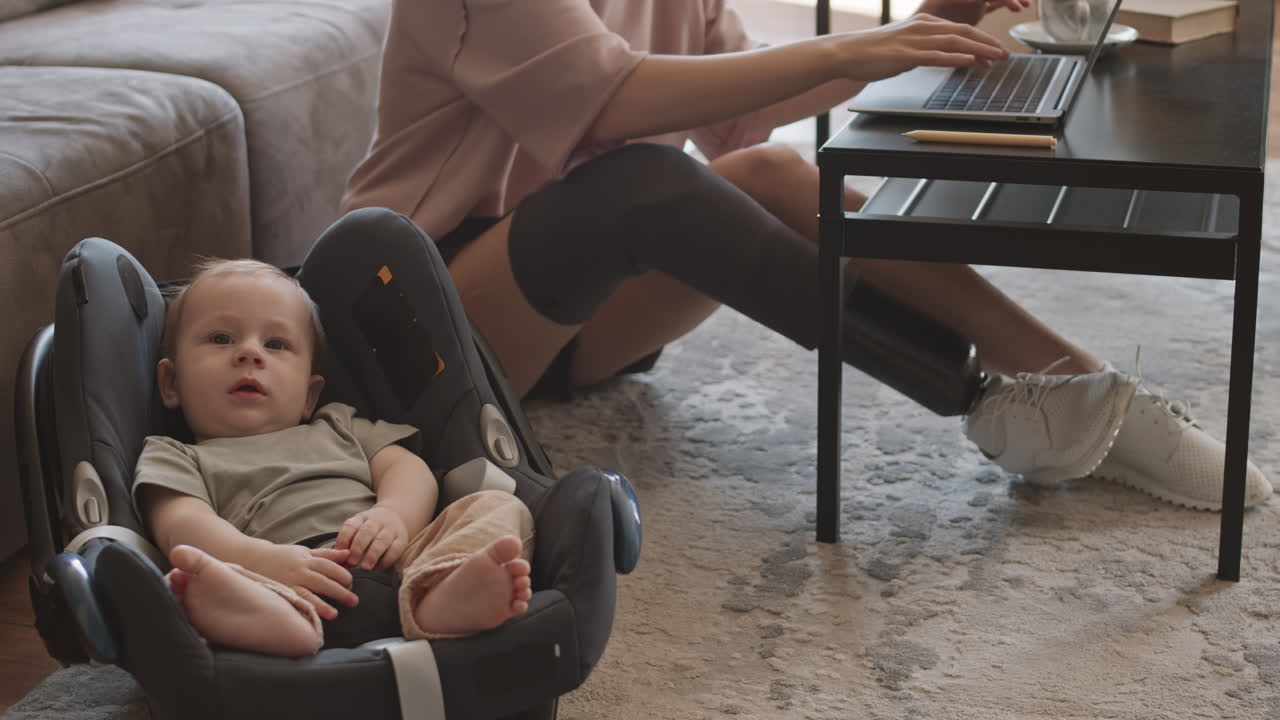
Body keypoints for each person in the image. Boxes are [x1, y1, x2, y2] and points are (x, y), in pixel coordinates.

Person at [341, 0, 1270, 510]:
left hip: (575, 315)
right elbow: (612, 98)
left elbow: (740, 113)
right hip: (424, 318)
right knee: (646, 181)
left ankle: (1074, 384)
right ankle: (976, 397)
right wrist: (847, 50)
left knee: (772, 173)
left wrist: (930, 22)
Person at [133, 259, 534, 657]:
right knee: (200, 575)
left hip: (400, 560)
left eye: (276, 344)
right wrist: (259, 560)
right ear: (171, 383)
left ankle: (440, 594)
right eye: (221, 338)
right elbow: (181, 524)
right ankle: (280, 624)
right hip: (281, 576)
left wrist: (394, 514)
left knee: (498, 505)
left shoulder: (339, 424)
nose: (250, 353)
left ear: (309, 395)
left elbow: (407, 469)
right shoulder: (175, 454)